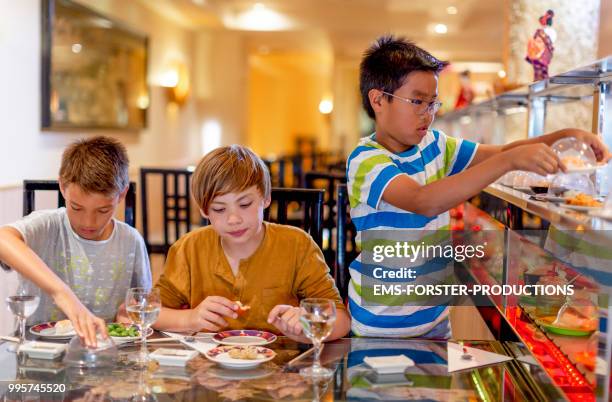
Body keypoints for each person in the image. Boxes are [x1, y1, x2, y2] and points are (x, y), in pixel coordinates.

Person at [347, 35, 610, 338]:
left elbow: (499, 152)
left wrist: (564, 136)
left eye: (433, 103)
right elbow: (423, 201)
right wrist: (510, 161)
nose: (427, 113)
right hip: (379, 325)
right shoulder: (365, 159)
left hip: (435, 320)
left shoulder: (434, 144)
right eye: (417, 101)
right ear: (378, 100)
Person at [153, 145, 350, 343]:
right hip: (208, 366)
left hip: (281, 367)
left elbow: (341, 320)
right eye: (219, 209)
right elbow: (152, 311)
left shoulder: (297, 245)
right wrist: (190, 318)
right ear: (205, 211)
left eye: (245, 204)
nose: (233, 219)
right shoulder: (189, 249)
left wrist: (306, 326)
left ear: (266, 198)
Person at [0, 136, 151, 347]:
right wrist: (62, 294)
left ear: (122, 194)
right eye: (77, 208)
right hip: (38, 351)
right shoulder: (47, 226)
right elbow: (2, 238)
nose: (88, 222)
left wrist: (127, 316)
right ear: (63, 186)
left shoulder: (131, 241)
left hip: (102, 356)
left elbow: (140, 303)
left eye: (103, 210)